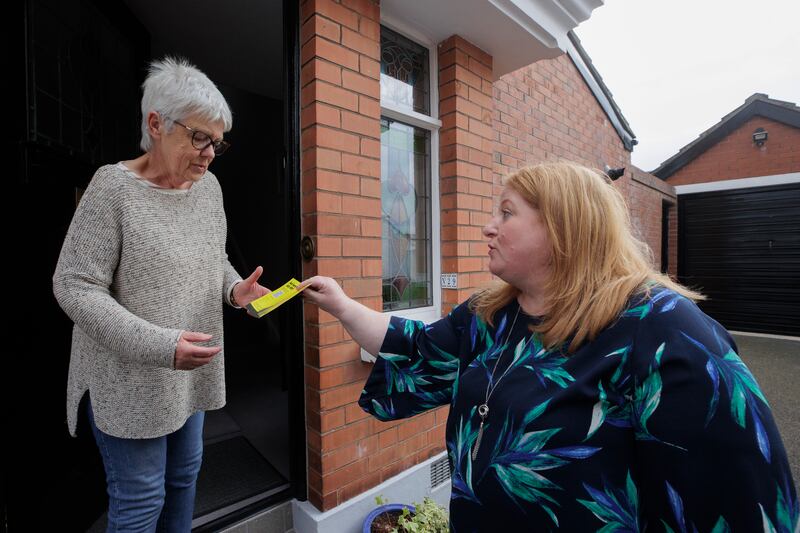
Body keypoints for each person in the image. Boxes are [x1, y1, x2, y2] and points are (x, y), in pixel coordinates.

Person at [302, 162, 798, 531]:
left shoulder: (665, 332)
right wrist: (343, 306)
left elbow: (740, 501)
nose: (487, 227)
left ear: (562, 228)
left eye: (507, 213)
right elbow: (416, 350)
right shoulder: (490, 314)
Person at [53, 56, 269, 532]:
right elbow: (73, 285)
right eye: (199, 138)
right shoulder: (112, 188)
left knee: (185, 478)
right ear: (156, 124)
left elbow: (213, 259)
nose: (210, 153)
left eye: (217, 142)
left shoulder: (207, 189)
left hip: (187, 374)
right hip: (125, 382)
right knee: (140, 498)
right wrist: (160, 345)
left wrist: (235, 290)